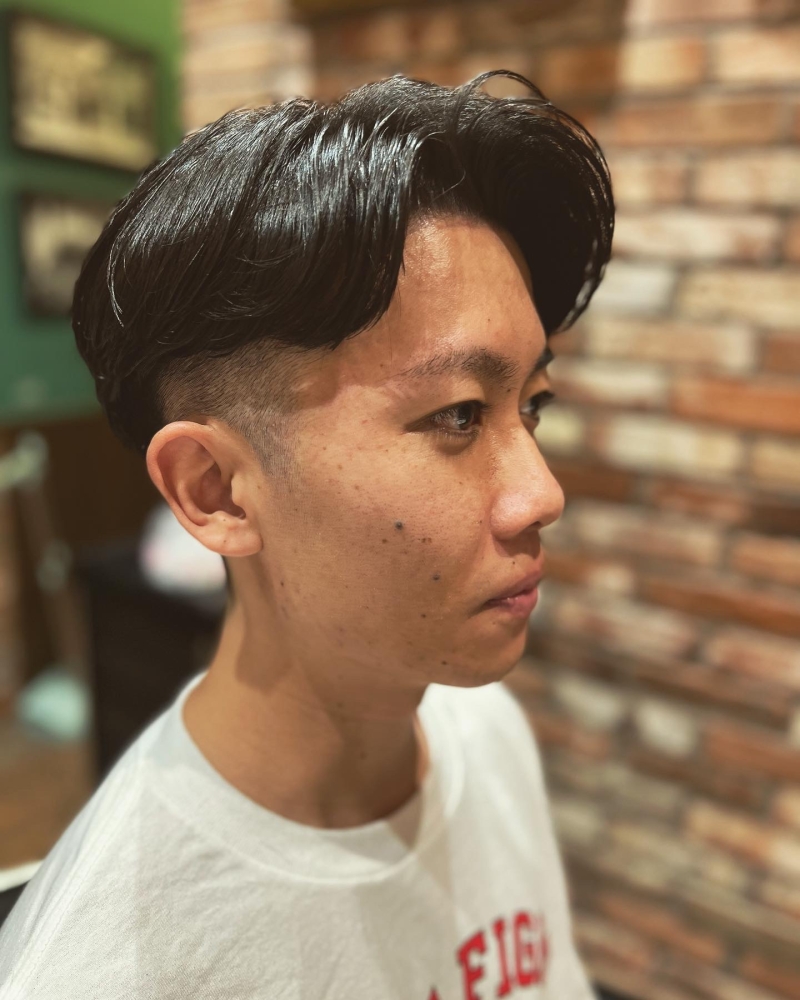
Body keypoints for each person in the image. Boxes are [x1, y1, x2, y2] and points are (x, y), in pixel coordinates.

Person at [0, 70, 613, 998]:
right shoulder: (103, 971)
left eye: (531, 405)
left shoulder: (486, 733)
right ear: (216, 491)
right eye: (457, 414)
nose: (541, 493)